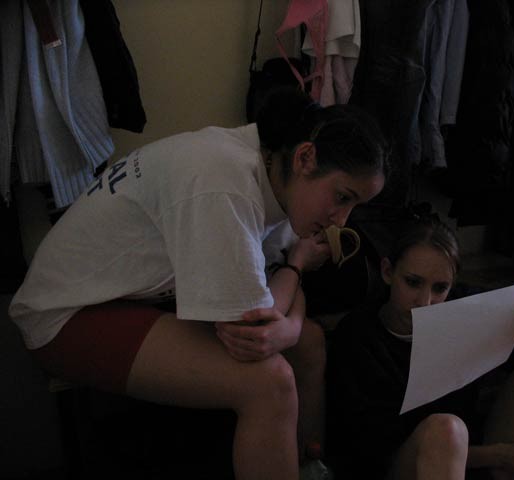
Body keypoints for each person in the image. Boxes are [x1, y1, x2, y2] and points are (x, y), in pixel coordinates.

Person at [9, 86, 388, 480]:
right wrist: (294, 279)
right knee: (269, 384)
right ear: (305, 157)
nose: (342, 219)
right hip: (65, 314)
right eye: (342, 197)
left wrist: (292, 299)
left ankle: (310, 466)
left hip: (129, 295)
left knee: (309, 342)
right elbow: (255, 332)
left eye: (354, 205)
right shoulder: (223, 182)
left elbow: (280, 289)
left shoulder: (277, 175)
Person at [325, 207, 514, 480]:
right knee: (446, 430)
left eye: (440, 288)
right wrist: (498, 455)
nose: (425, 302)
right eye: (413, 282)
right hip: (400, 464)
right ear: (387, 271)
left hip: (468, 455)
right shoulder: (358, 337)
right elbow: (368, 453)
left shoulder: (464, 309)